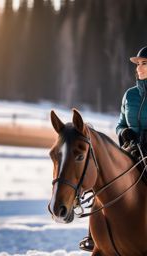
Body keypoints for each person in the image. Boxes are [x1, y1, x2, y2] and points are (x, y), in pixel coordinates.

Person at [79, 45, 147, 252]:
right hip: (130, 148)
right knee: (103, 180)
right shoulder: (130, 95)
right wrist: (123, 132)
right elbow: (120, 123)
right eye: (138, 64)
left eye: (144, 64)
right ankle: (93, 236)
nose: (139, 68)